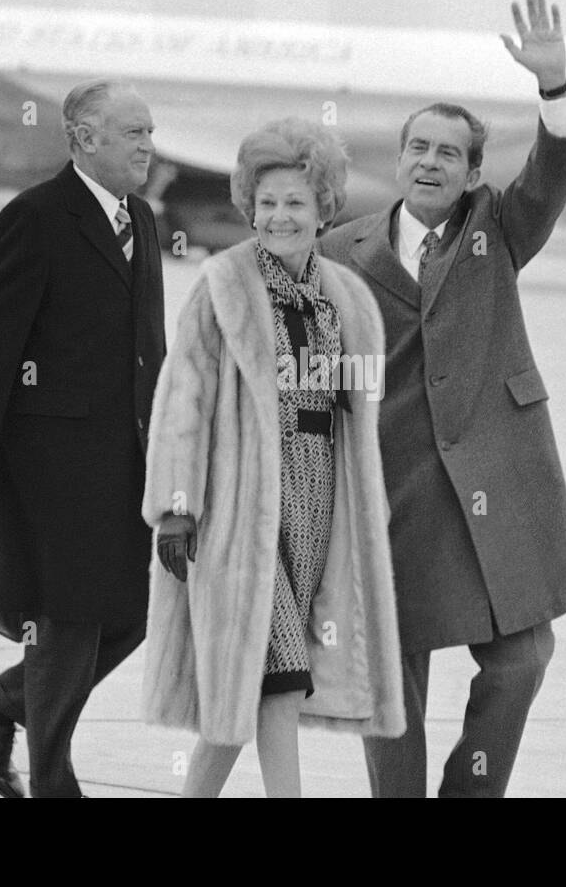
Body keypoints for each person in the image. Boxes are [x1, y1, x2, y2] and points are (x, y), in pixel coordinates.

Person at [318, 0, 566, 798]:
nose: (430, 163)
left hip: (495, 486)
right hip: (388, 489)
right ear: (399, 160)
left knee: (523, 657)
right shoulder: (341, 249)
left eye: (449, 154)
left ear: (474, 172)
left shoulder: (498, 228)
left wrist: (553, 88)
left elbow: (552, 171)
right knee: (392, 684)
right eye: (418, 149)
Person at [142, 118, 404, 798]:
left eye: (295, 202)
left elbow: (367, 411)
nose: (279, 216)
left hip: (319, 502)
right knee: (281, 674)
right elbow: (183, 400)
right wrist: (176, 506)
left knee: (245, 688)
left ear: (324, 208)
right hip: (239, 506)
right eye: (266, 203)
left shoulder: (348, 299)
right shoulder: (222, 286)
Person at [0, 80, 166, 798]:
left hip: (130, 462)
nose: (146, 145)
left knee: (132, 617)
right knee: (65, 622)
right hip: (50, 465)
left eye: (149, 132)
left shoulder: (145, 218)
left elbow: (146, 349)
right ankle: (53, 783)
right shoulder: (36, 217)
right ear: (81, 139)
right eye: (131, 132)